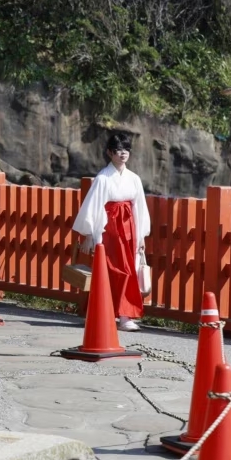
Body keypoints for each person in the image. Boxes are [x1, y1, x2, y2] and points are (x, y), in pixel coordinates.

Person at [72, 133, 151, 331]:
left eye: (126, 150)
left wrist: (141, 235)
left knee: (129, 270)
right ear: (109, 153)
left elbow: (139, 207)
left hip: (130, 229)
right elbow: (93, 206)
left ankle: (125, 315)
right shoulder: (102, 178)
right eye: (118, 150)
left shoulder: (134, 179)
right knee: (110, 271)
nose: (122, 154)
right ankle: (106, 312)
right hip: (109, 229)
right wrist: (90, 234)